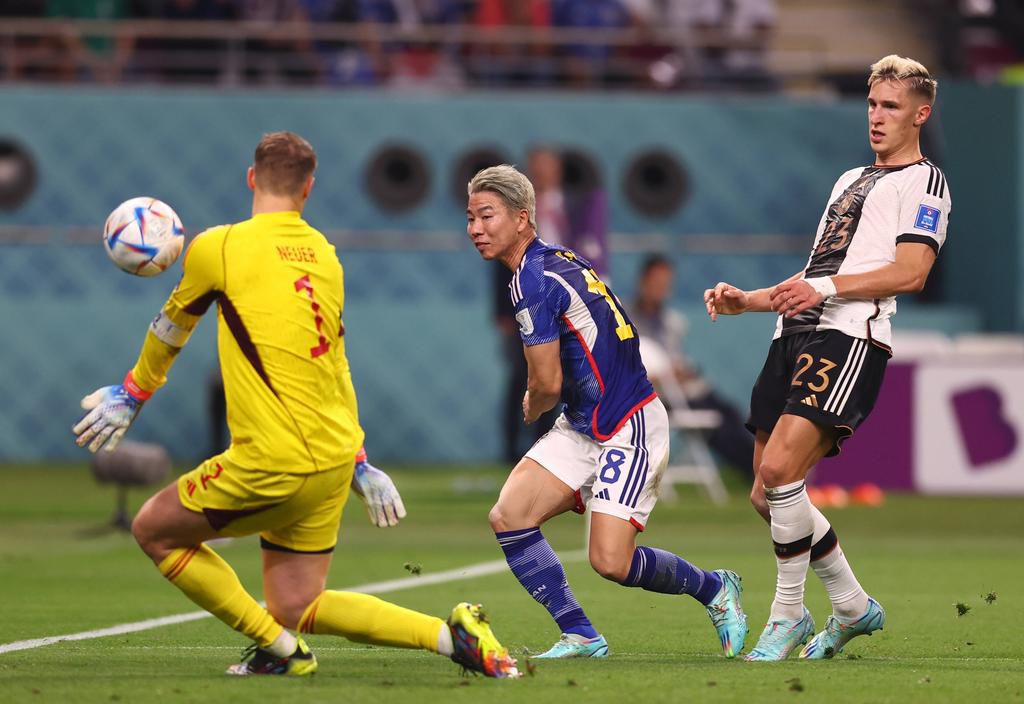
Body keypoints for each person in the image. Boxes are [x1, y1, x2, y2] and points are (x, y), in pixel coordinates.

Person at [72, 131, 518, 679]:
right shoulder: (326, 258)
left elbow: (171, 329)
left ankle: (279, 649)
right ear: (309, 189)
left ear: (251, 178)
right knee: (297, 604)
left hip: (273, 461)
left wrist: (132, 393)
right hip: (332, 461)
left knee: (154, 530)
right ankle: (453, 640)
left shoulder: (218, 247)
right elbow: (335, 362)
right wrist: (360, 461)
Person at [704, 55, 950, 661]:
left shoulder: (926, 182)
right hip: (794, 334)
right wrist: (752, 301)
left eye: (891, 106)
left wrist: (827, 291)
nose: (877, 116)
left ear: (921, 113)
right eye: (871, 103)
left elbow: (912, 271)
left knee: (784, 471)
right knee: (767, 493)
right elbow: (819, 272)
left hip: (849, 337)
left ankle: (786, 614)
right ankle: (852, 606)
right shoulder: (848, 180)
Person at [467, 164, 747, 659]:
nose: (475, 228)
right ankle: (580, 633)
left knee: (610, 562)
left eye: (486, 215)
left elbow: (547, 383)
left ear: (522, 218)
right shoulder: (557, 259)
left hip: (628, 423)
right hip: (584, 423)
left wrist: (532, 402)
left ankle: (714, 588)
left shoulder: (532, 279)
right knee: (509, 515)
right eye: (470, 217)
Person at [631, 254, 754, 476]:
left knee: (730, 414)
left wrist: (681, 372)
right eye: (657, 283)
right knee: (719, 426)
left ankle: (762, 469)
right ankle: (757, 473)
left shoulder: (671, 321)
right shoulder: (626, 318)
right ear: (643, 282)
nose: (662, 289)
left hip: (686, 390)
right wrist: (664, 376)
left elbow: (678, 358)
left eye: (666, 284)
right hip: (657, 395)